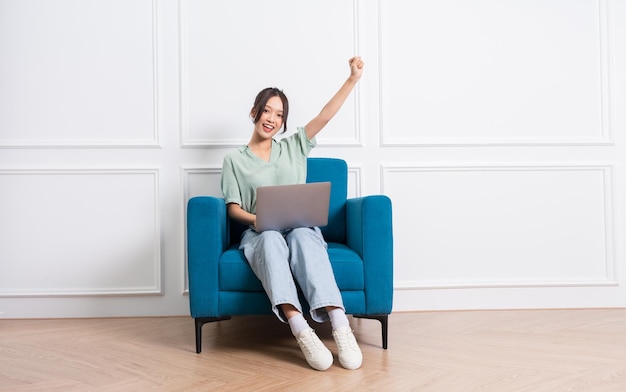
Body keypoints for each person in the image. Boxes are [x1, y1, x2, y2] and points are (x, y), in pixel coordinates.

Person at [220, 57, 365, 371]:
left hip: (299, 226)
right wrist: (255, 220)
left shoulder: (294, 146)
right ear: (254, 113)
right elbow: (233, 207)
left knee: (301, 234)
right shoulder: (234, 160)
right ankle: (301, 329)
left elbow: (325, 116)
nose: (272, 118)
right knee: (270, 238)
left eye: (279, 114)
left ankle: (340, 325)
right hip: (260, 230)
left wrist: (351, 80)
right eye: (267, 110)